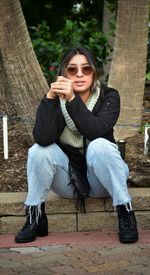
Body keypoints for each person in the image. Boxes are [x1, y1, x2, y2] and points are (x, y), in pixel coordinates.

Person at [15, 47, 138, 244]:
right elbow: (43, 138)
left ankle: (125, 213)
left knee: (100, 145)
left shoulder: (109, 97)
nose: (79, 75)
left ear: (94, 72)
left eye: (86, 69)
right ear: (63, 74)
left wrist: (72, 99)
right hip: (70, 182)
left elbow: (95, 130)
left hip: (103, 181)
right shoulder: (54, 100)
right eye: (72, 70)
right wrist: (49, 98)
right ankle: (34, 217)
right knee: (39, 150)